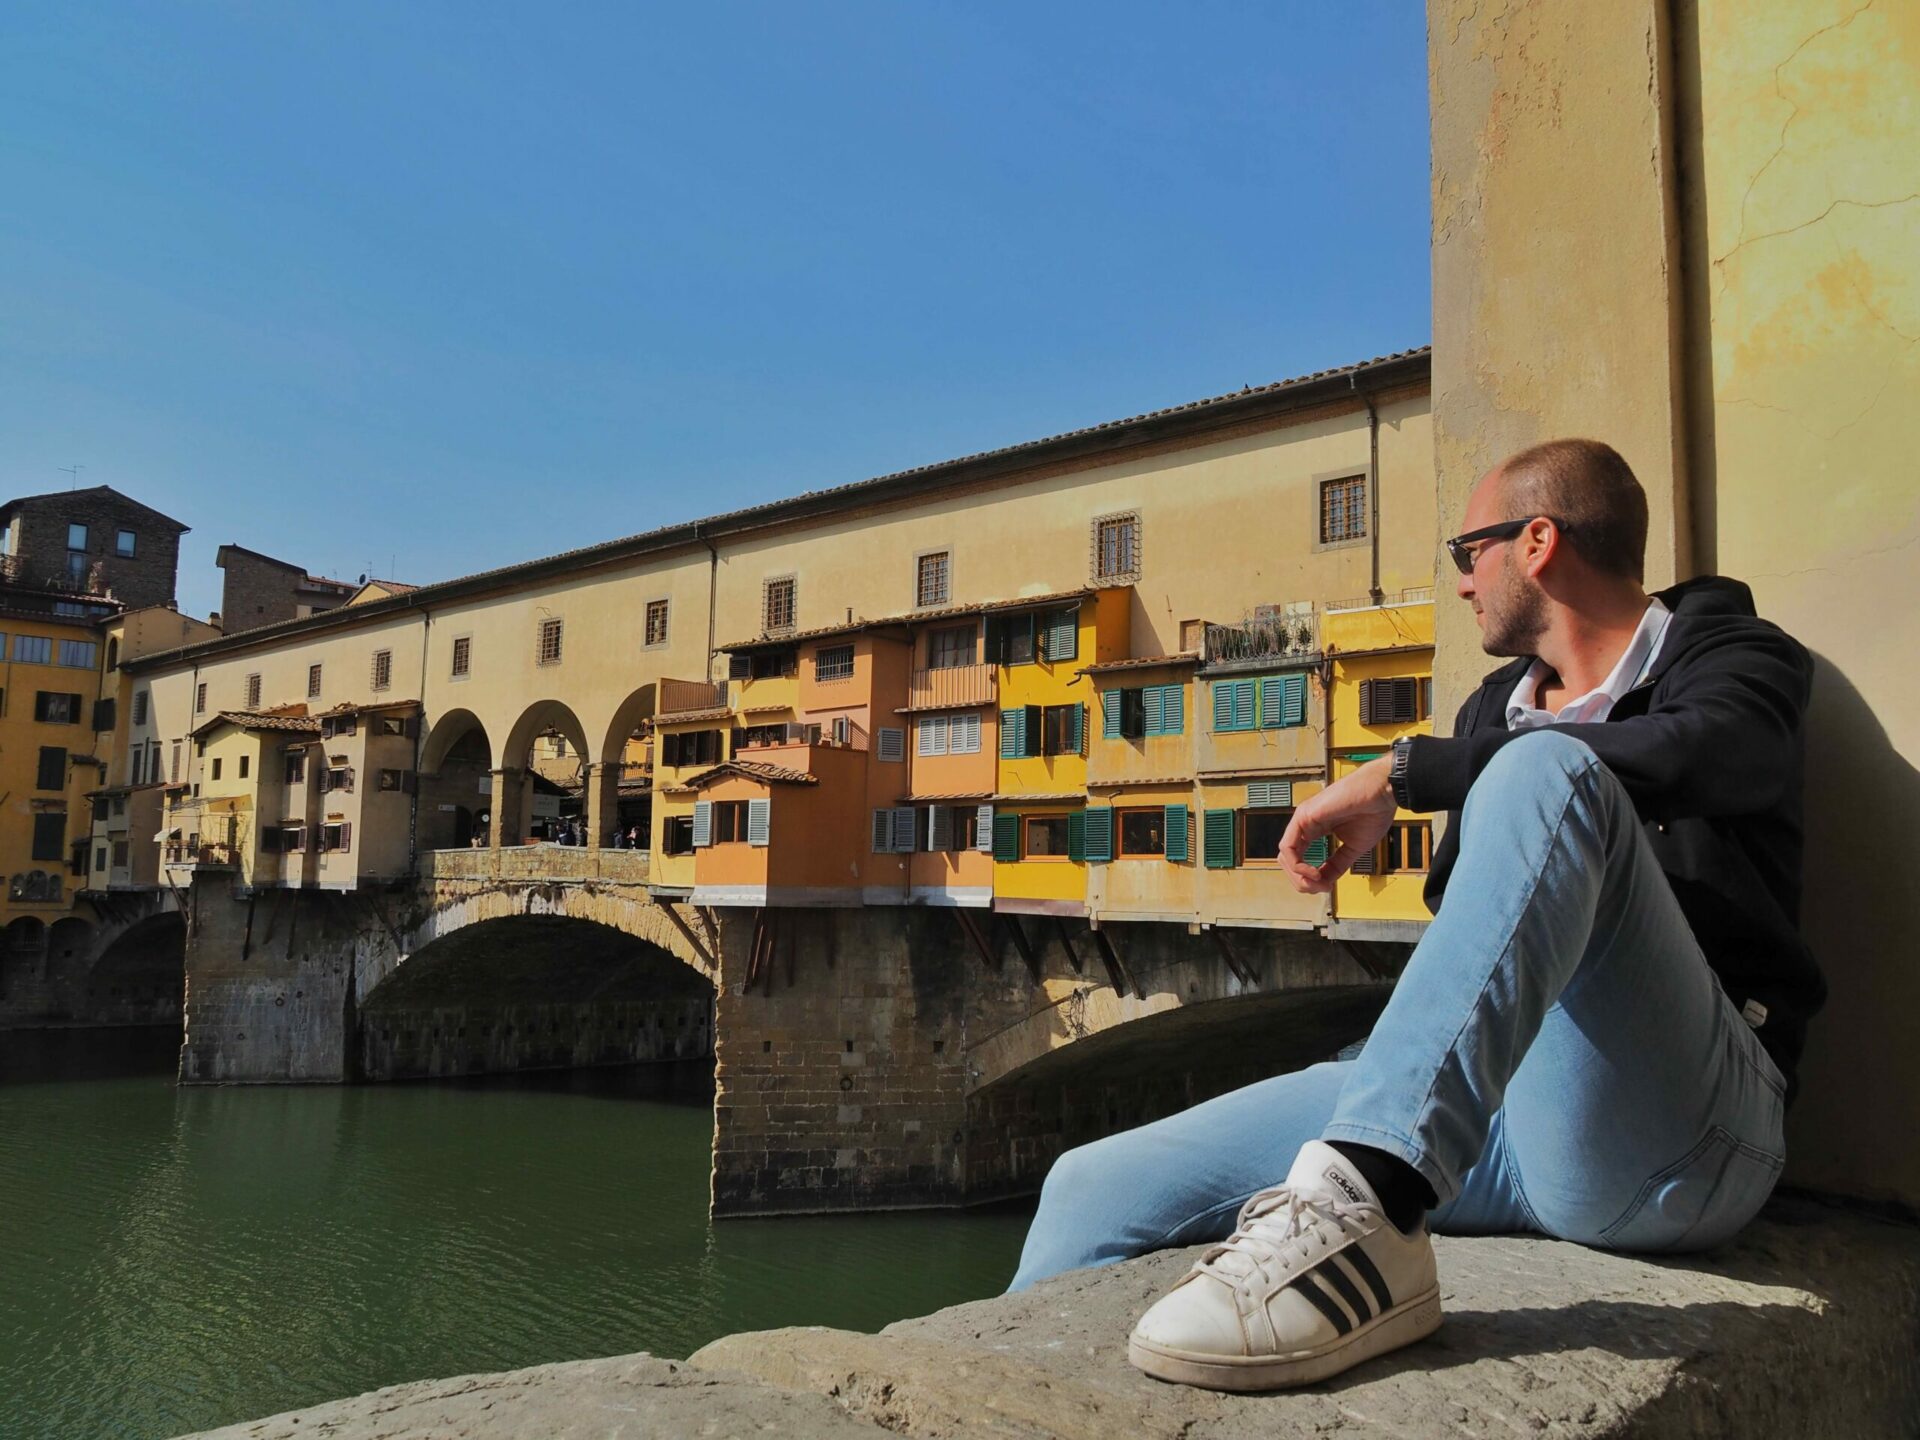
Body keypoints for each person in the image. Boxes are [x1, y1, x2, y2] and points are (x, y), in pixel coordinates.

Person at [1013, 439, 1824, 1393]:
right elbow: (1478, 918)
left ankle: (1377, 1208)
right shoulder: (1496, 706)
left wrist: (1406, 772)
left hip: (1685, 1129)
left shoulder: (1731, 653)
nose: (1463, 585)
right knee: (1092, 1186)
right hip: (1506, 1117)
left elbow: (1718, 756)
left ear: (1535, 542)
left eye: (1465, 554)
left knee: (1549, 767)